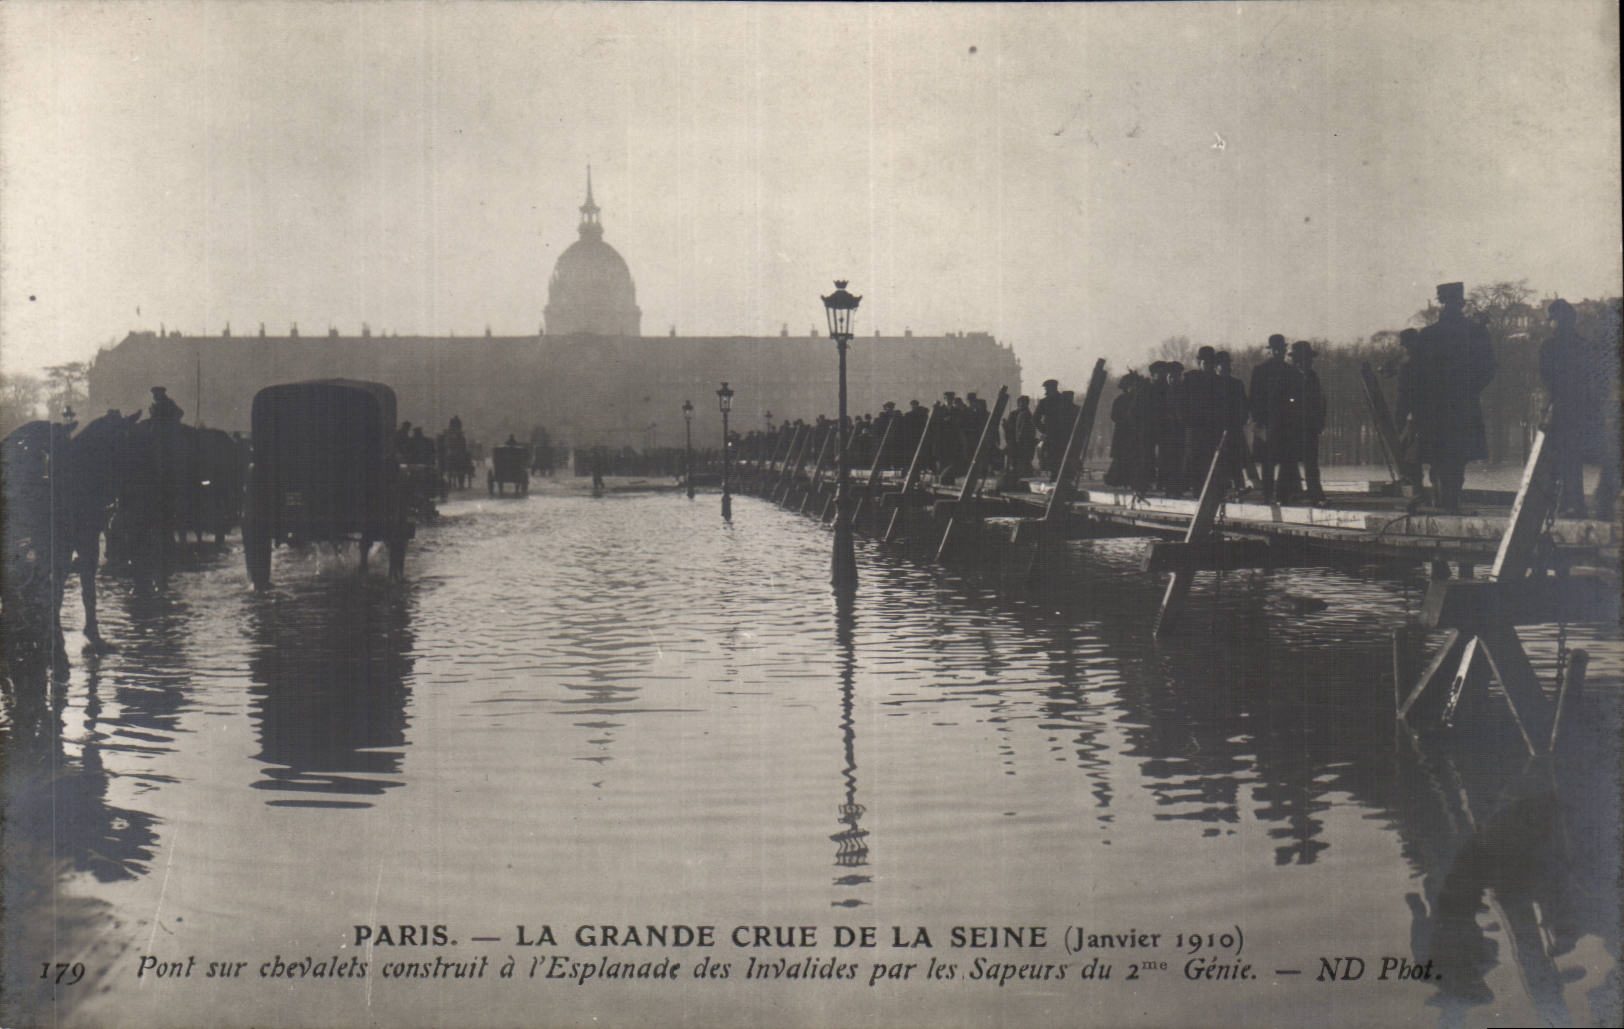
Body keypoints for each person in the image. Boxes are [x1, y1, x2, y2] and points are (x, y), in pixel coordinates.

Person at [1415, 282, 1494, 513]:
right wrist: (1470, 389)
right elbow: (1489, 368)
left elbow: (1418, 376)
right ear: (1461, 303)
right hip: (1463, 404)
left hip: (1435, 407)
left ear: (1441, 303)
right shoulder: (1476, 332)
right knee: (1458, 457)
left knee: (1438, 456)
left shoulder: (1429, 335)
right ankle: (1451, 501)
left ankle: (1443, 501)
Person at [1539, 298, 1618, 519]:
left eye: (1552, 319)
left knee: (1560, 459)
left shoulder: (1549, 347)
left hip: (1560, 411)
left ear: (1558, 321)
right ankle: (1574, 503)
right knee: (1573, 459)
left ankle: (1563, 503)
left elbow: (1547, 380)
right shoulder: (1585, 346)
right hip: (1582, 411)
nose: (1550, 324)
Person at [1248, 335, 1300, 503]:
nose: (1278, 352)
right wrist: (1258, 420)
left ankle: (1283, 494)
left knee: (1286, 460)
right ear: (1270, 350)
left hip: (1285, 423)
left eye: (1281, 349)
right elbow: (1254, 397)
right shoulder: (1260, 370)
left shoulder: (1291, 371)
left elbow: (1296, 398)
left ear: (1284, 350)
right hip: (1266, 423)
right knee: (1267, 461)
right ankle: (1268, 494)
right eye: (1275, 349)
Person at [1180, 346, 1224, 489]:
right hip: (1195, 426)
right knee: (1194, 459)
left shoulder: (1219, 382)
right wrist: (1187, 420)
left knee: (1212, 459)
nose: (1208, 366)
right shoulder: (1191, 379)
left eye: (1211, 363)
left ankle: (1211, 489)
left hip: (1213, 427)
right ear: (1199, 363)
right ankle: (1196, 488)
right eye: (1205, 363)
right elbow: (1182, 402)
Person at [1288, 341, 1327, 504]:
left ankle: (1315, 493)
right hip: (1293, 428)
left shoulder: (1313, 377)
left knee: (1311, 462)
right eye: (1307, 359)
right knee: (1290, 462)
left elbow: (1321, 401)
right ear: (1298, 360)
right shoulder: (1289, 377)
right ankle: (1292, 493)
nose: (1310, 362)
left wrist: (1319, 422)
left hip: (1310, 427)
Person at [1214, 351, 1254, 491]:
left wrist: (1241, 420)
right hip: (1217, 430)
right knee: (1219, 461)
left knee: (1237, 459)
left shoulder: (1237, 384)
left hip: (1234, 428)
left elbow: (1244, 404)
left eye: (1227, 364)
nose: (1226, 367)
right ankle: (1220, 488)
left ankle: (1239, 486)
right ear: (1216, 366)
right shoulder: (1213, 384)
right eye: (1222, 364)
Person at [1002, 394, 1038, 487]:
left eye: (1024, 403)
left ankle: (1018, 483)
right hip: (1019, 444)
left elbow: (1022, 431)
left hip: (1021, 444)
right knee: (1020, 464)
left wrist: (1005, 426)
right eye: (1021, 403)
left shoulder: (1024, 414)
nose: (1022, 404)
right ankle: (1019, 483)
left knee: (1020, 464)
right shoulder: (1022, 414)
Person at [1034, 379, 1065, 478]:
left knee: (1050, 455)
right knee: (1059, 455)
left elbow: (1035, 418)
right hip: (1062, 433)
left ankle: (1054, 475)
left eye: (1047, 388)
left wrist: (1044, 430)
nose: (1046, 391)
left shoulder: (1045, 402)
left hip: (1051, 433)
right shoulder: (1063, 400)